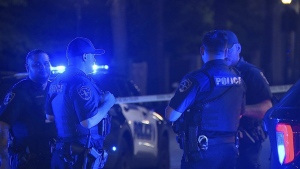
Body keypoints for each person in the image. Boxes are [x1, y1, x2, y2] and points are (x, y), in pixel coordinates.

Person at [165, 30, 246, 169]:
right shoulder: (239, 79)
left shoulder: (196, 79)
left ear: (202, 50)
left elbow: (171, 115)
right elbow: (241, 111)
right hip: (230, 150)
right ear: (226, 52)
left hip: (202, 152)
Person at [46, 37, 116, 169]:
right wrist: (108, 103)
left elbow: (50, 117)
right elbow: (87, 121)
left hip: (62, 152)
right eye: (93, 56)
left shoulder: (55, 82)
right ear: (85, 56)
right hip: (80, 156)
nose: (94, 60)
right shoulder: (81, 82)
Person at [224, 30, 273, 169]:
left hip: (246, 141)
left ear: (238, 48)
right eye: (220, 50)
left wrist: (240, 110)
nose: (224, 54)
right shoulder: (215, 73)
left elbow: (267, 108)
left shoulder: (251, 73)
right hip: (221, 141)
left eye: (228, 49)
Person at [0, 49, 56, 169]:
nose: (43, 67)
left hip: (55, 159)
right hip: (28, 161)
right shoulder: (19, 92)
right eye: (37, 64)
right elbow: (2, 125)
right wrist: (4, 161)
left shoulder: (55, 89)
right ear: (27, 67)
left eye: (46, 63)